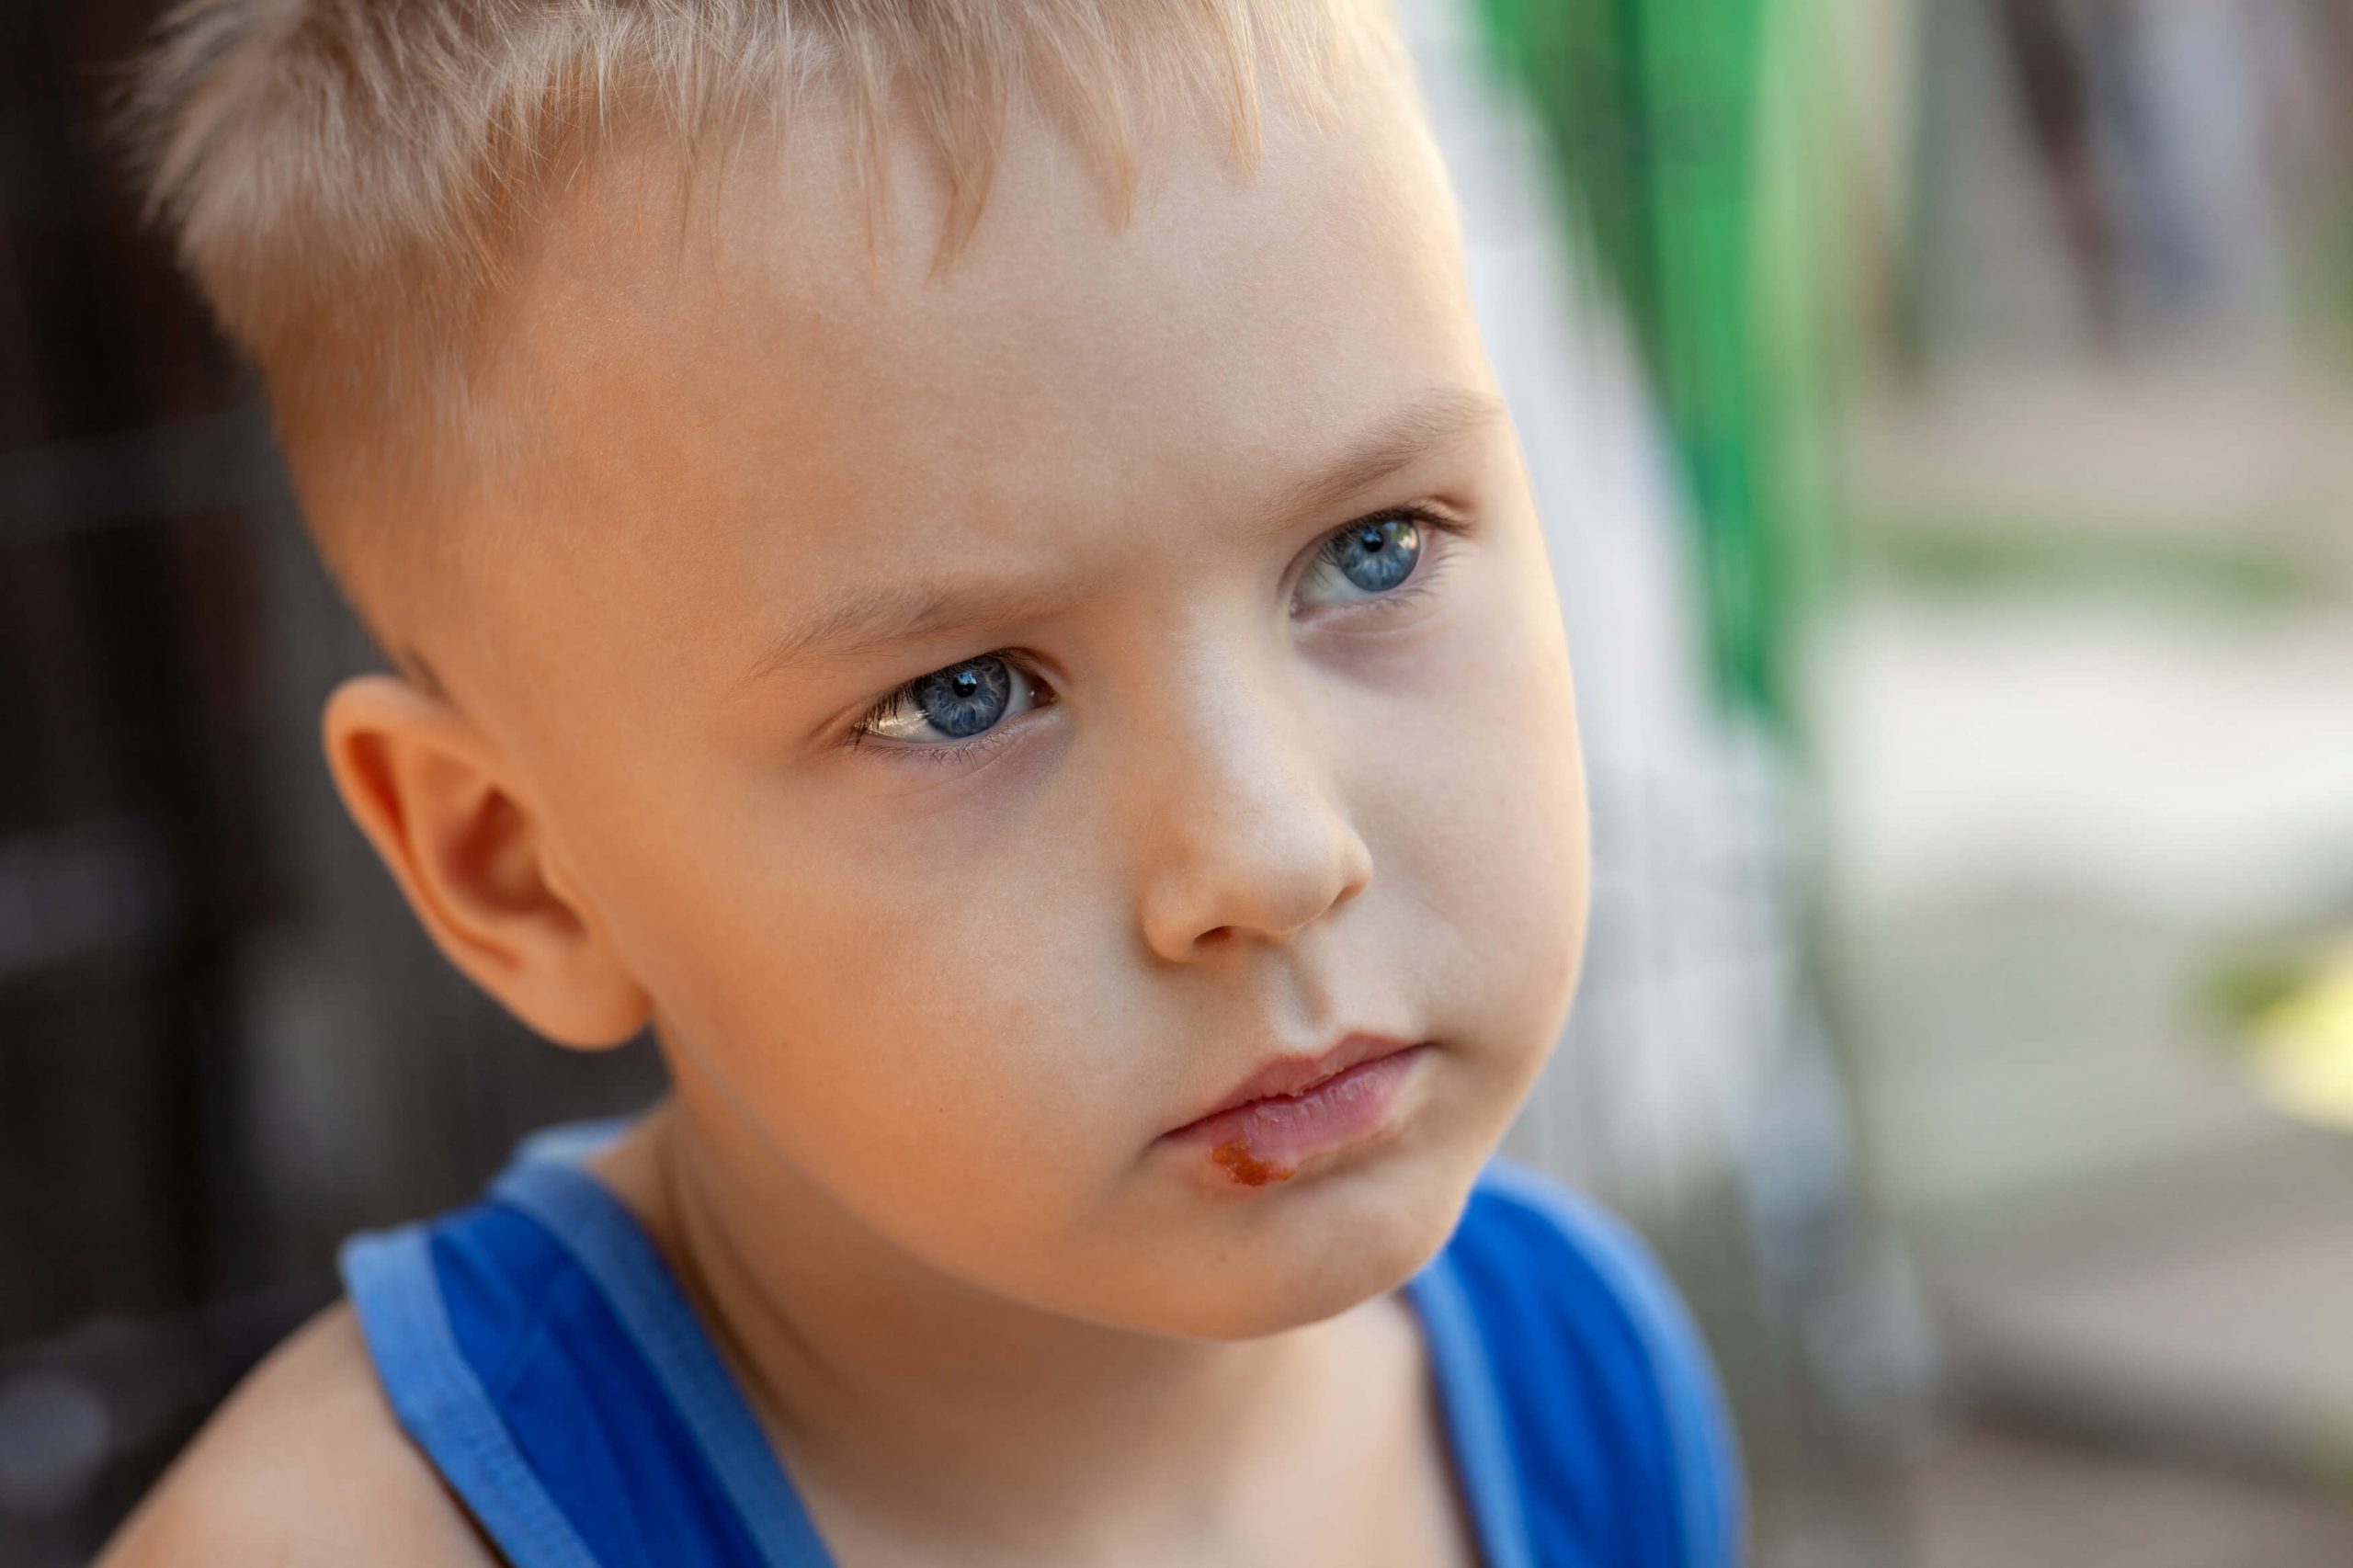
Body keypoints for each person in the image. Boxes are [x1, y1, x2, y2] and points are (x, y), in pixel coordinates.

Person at [99, 1, 1744, 1562]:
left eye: (1373, 550)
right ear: (517, 864)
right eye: (961, 699)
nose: (1273, 851)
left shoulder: (1576, 1391)